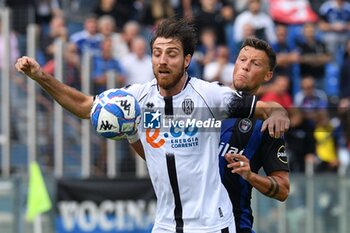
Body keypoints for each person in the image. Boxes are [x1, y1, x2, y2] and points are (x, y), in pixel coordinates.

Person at [15, 17, 289, 233]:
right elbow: (85, 106)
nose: (163, 60)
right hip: (165, 224)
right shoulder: (136, 99)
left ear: (186, 60)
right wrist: (41, 77)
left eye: (171, 53)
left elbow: (267, 108)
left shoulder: (210, 96)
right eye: (157, 53)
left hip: (212, 225)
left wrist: (278, 113)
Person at [219, 38, 290, 233]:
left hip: (234, 225)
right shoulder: (206, 102)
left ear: (268, 75)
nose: (245, 67)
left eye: (255, 63)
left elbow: (283, 189)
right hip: (188, 223)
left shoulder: (266, 125)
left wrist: (250, 176)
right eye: (242, 60)